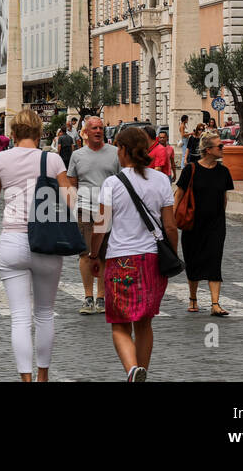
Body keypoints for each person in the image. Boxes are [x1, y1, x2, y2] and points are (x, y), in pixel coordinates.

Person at [0, 108, 74, 382]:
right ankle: (43, 376)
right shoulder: (53, 160)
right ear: (39, 132)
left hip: (12, 240)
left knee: (20, 317)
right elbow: (71, 201)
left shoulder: (1, 160)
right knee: (45, 313)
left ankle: (26, 379)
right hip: (45, 241)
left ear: (12, 133)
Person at [89, 126, 176, 382]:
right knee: (145, 323)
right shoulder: (161, 180)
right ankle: (141, 373)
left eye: (117, 147)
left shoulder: (112, 183)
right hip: (152, 259)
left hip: (121, 260)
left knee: (119, 323)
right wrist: (172, 255)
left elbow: (101, 226)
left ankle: (131, 370)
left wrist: (94, 255)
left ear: (124, 149)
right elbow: (170, 226)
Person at [176, 130, 235, 315]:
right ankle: (193, 298)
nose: (223, 149)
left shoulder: (224, 171)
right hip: (193, 224)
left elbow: (224, 198)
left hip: (216, 224)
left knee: (214, 261)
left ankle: (215, 303)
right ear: (208, 149)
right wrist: (172, 218)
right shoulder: (190, 169)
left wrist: (219, 217)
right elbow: (178, 195)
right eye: (220, 146)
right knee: (193, 261)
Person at [66, 116, 119, 315]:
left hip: (108, 210)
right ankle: (88, 297)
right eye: (94, 128)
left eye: (101, 128)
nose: (98, 131)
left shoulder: (115, 153)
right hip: (85, 209)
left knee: (104, 254)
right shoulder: (77, 155)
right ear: (86, 132)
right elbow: (72, 183)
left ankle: (101, 297)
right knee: (86, 253)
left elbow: (122, 181)